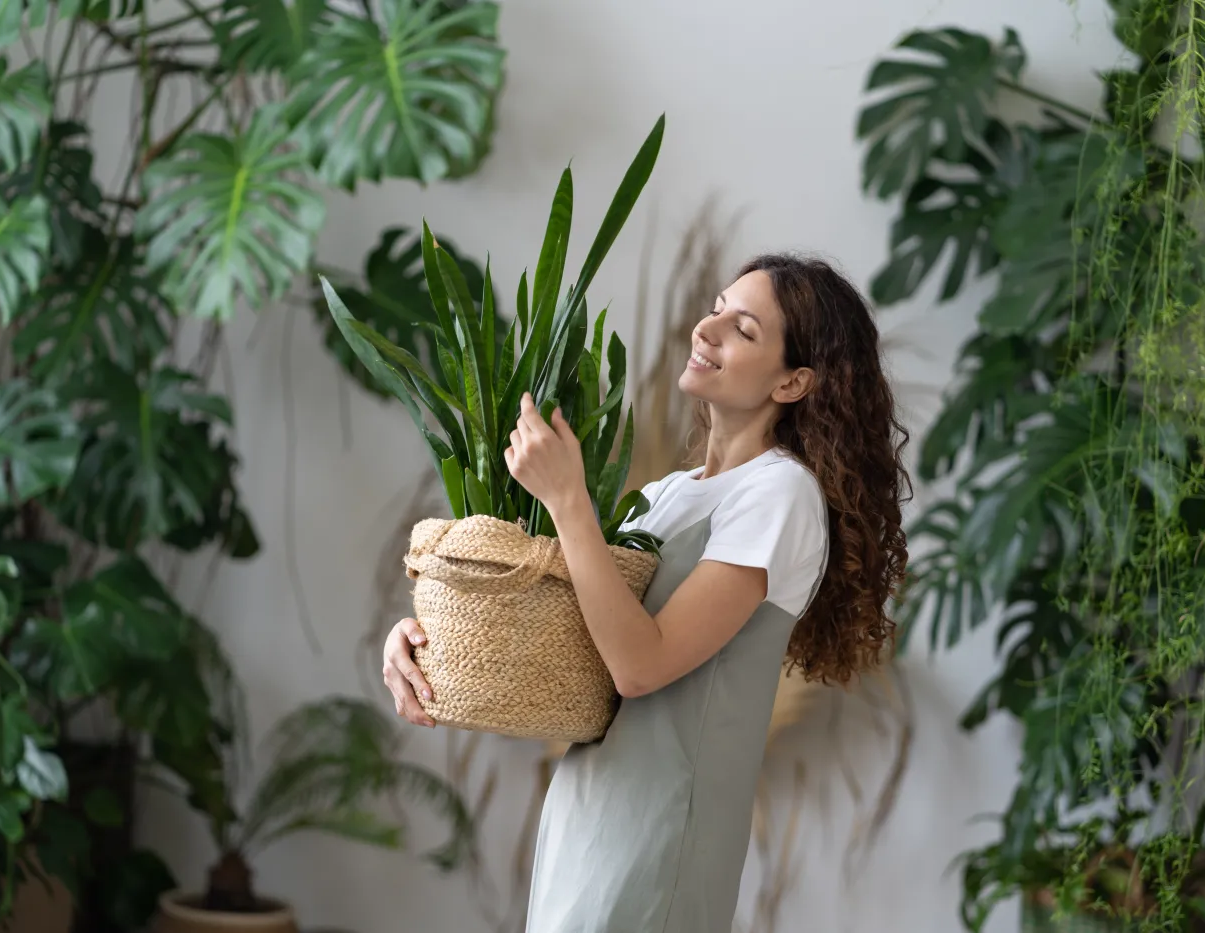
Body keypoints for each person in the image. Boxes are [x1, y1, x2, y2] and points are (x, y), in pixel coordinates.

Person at [381, 253, 912, 933]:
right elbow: (571, 644)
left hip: (659, 838)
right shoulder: (664, 498)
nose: (707, 328)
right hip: (587, 816)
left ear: (793, 381)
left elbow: (641, 664)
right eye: (715, 306)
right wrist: (428, 642)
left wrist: (570, 500)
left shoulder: (781, 493)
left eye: (743, 328)